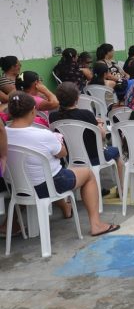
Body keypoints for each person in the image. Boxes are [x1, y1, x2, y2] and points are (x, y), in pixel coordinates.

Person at [5, 91, 119, 236]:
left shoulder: (4, 133)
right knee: (88, 174)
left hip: (17, 185)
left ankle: (11, 224)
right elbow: (62, 154)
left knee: (30, 176)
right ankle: (96, 224)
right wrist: (58, 140)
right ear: (33, 110)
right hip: (48, 184)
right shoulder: (42, 134)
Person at [48, 82, 124, 193]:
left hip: (69, 158)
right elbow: (102, 136)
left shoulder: (53, 116)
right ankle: (120, 189)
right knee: (117, 152)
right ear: (77, 98)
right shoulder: (86, 114)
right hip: (94, 156)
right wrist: (99, 125)